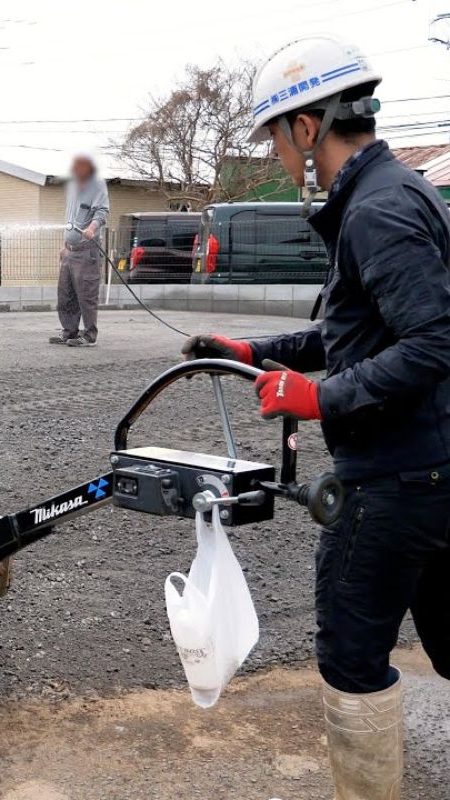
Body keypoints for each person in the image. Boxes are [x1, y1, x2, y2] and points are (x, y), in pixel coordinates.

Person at [183, 36, 450, 799]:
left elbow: (434, 342)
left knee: (351, 657)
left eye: (274, 133)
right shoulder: (393, 192)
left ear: (308, 126)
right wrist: (258, 352)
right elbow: (357, 333)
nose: (274, 152)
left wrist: (317, 397)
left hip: (395, 480)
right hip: (433, 468)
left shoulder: (377, 210)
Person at [51, 152, 109, 347]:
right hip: (70, 251)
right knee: (66, 294)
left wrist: (92, 229)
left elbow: (102, 211)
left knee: (86, 295)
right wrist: (63, 245)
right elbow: (69, 221)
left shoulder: (97, 184)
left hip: (87, 251)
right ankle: (69, 331)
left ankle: (89, 334)